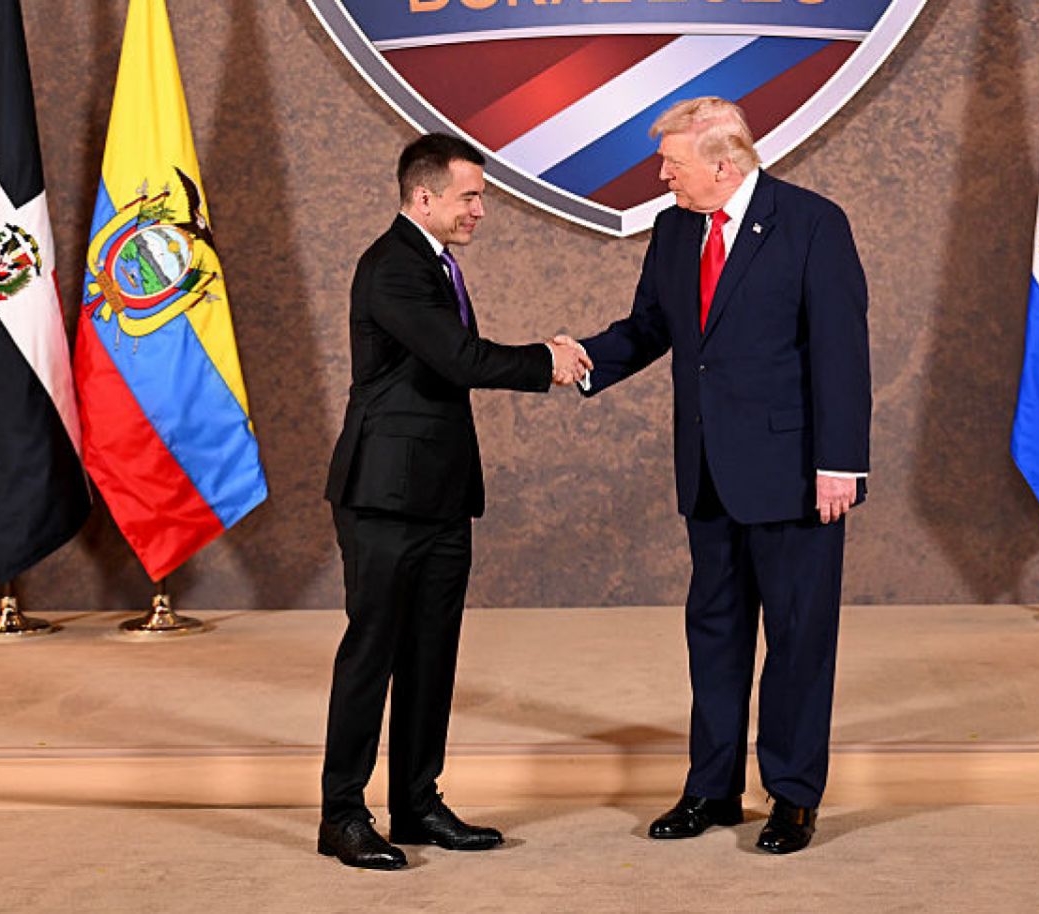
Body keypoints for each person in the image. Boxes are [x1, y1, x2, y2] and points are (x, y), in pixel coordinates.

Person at [563, 97, 870, 854]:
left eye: (672, 163)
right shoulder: (673, 229)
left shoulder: (812, 223)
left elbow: (840, 349)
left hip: (795, 476)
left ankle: (792, 796)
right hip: (707, 473)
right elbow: (650, 328)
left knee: (797, 639)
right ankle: (712, 788)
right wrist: (578, 359)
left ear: (724, 165)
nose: (662, 175)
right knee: (716, 634)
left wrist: (839, 466)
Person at [319, 133, 591, 870]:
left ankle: (416, 804)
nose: (480, 210)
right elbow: (458, 358)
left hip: (440, 497)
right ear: (424, 196)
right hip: (383, 496)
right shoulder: (392, 267)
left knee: (431, 654)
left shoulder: (433, 263)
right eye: (470, 196)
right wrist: (546, 361)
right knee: (372, 655)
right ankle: (342, 816)